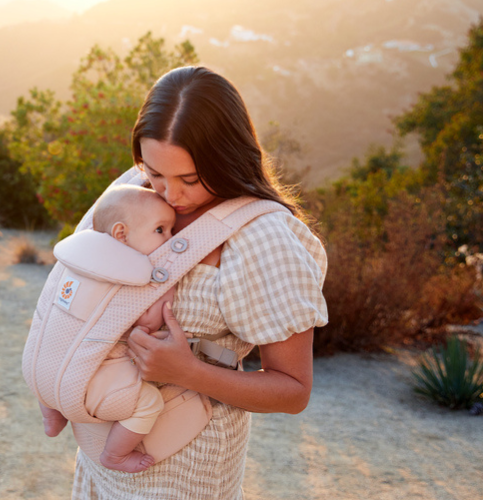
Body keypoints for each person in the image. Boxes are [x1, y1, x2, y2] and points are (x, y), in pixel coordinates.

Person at [70, 66, 328, 499]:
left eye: (189, 179)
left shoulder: (262, 237)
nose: (169, 195)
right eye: (155, 171)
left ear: (227, 157)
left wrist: (188, 371)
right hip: (103, 453)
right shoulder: (132, 192)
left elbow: (293, 391)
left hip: (186, 469)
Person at [40, 184, 180, 474]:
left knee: (48, 364)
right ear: (121, 234)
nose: (170, 238)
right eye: (160, 230)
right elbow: (148, 323)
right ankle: (115, 455)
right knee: (149, 403)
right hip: (88, 381)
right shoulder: (131, 274)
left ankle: (51, 416)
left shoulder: (78, 257)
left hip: (39, 371)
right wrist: (168, 291)